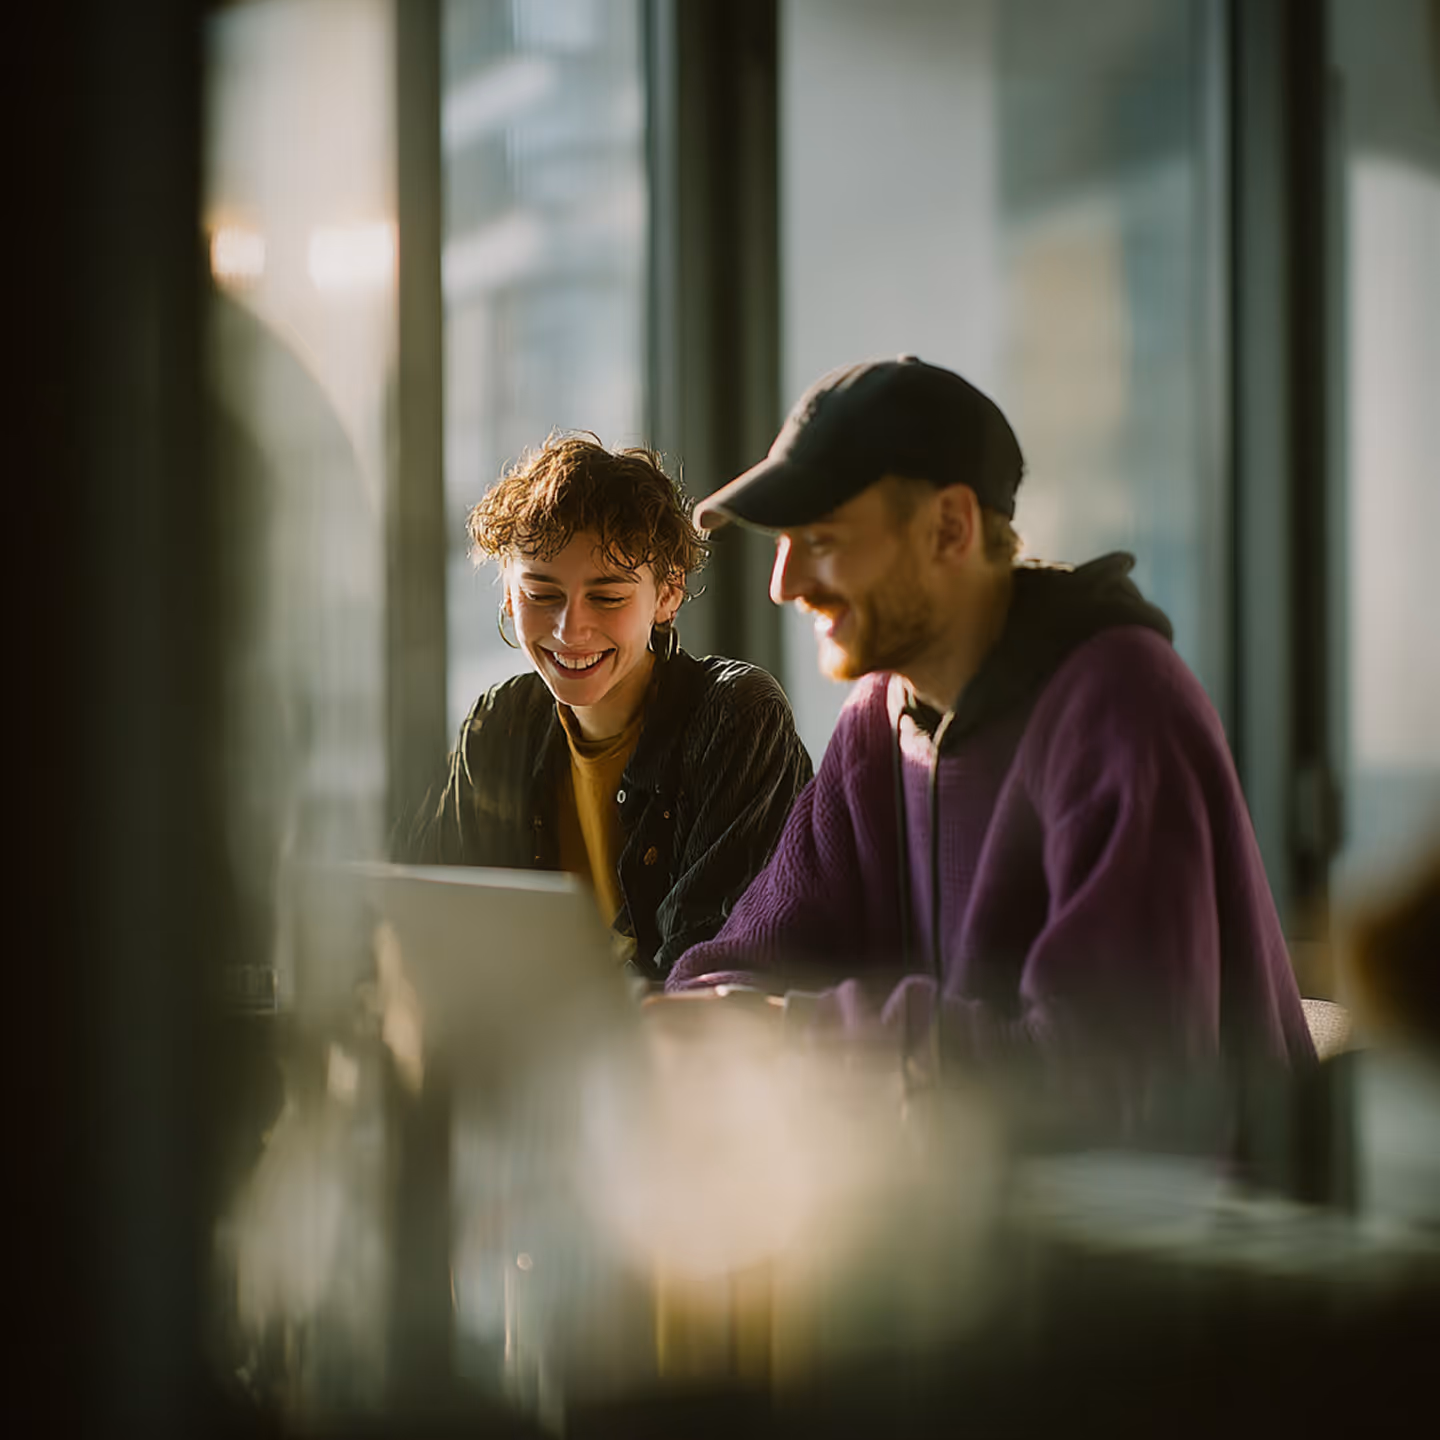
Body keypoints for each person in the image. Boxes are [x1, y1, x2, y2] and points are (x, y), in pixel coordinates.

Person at [666, 357, 1314, 1122]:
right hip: (980, 1216)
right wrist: (697, 1025)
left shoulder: (1119, 704)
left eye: (823, 538)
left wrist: (797, 1034)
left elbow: (1116, 1072)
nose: (785, 583)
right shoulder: (880, 718)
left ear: (949, 529)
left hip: (1179, 1228)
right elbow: (741, 962)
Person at [406, 434, 812, 983]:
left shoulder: (737, 717)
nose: (570, 630)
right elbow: (425, 928)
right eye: (541, 595)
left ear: (668, 594)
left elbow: (706, 978)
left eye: (608, 597)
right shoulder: (500, 724)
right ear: (507, 594)